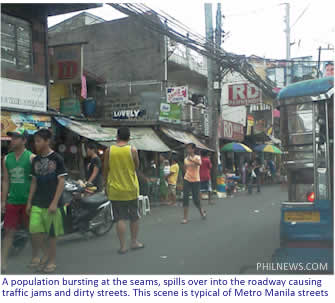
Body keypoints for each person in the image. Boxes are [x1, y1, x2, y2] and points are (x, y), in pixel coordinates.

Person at [26, 129, 67, 273]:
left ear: (47, 141)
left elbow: (61, 181)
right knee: (34, 231)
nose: (35, 144)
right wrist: (29, 201)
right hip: (38, 201)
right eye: (35, 141)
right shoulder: (35, 160)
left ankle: (52, 261)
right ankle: (45, 254)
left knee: (51, 235)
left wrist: (55, 202)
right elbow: (34, 182)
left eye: (38, 141)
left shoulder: (57, 158)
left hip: (52, 203)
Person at [103, 127, 144, 254]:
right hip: (131, 188)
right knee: (134, 217)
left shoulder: (109, 151)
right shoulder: (133, 150)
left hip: (115, 189)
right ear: (129, 137)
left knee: (119, 218)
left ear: (117, 136)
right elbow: (136, 166)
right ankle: (134, 242)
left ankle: (122, 246)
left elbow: (105, 169)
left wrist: (105, 185)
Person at [1, 128, 34, 273]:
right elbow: (6, 181)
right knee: (9, 231)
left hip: (27, 201)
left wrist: (31, 202)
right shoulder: (7, 159)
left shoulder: (31, 158)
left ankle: (36, 257)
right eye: (12, 137)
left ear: (24, 141)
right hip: (13, 200)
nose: (12, 140)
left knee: (33, 231)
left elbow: (34, 182)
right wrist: (3, 201)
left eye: (16, 138)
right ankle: (3, 261)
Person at [181, 143, 207, 224]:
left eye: (189, 148)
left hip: (196, 180)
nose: (188, 150)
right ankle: (185, 218)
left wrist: (191, 159)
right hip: (187, 179)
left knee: (196, 199)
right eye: (187, 148)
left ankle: (201, 212)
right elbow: (185, 168)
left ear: (193, 149)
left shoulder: (197, 157)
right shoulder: (185, 159)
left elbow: (199, 164)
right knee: (185, 198)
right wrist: (186, 175)